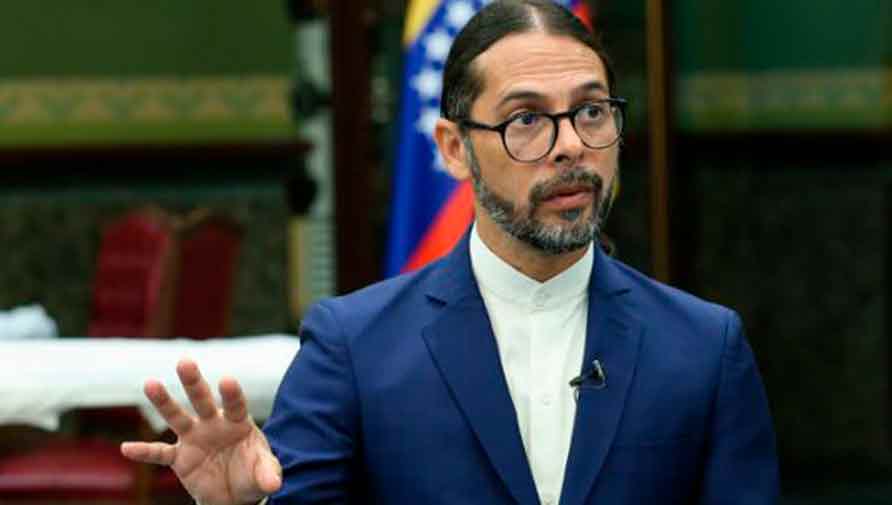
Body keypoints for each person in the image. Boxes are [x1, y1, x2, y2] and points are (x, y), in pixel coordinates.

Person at [122, 1, 779, 503]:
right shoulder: (355, 346)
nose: (571, 145)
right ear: (453, 148)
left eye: (591, 112)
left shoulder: (705, 348)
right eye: (527, 119)